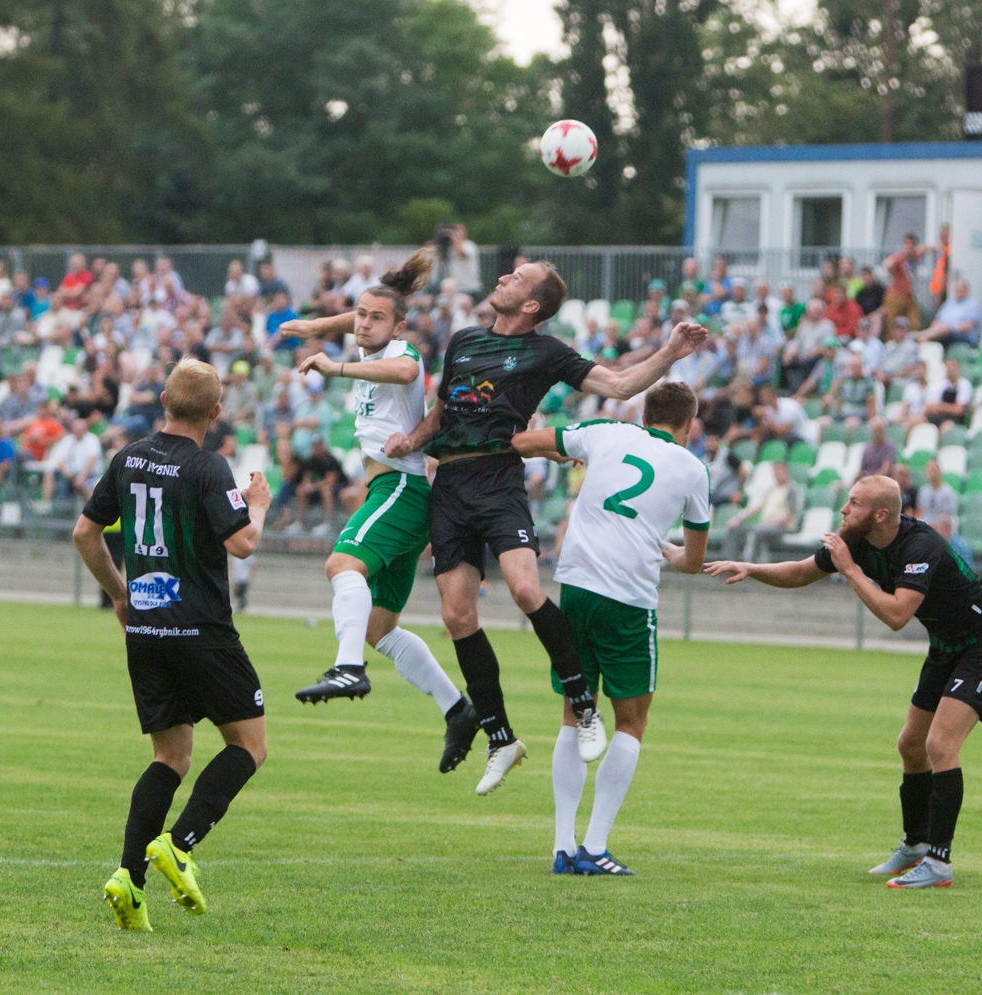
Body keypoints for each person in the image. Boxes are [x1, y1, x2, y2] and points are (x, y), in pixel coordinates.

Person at [320, 259, 706, 795]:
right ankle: (500, 738)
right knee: (457, 616)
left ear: (532, 305)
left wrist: (670, 352)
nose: (504, 278)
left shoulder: (547, 352)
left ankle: (584, 706)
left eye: (517, 279)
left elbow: (618, 386)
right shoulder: (463, 340)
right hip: (450, 486)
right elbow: (440, 410)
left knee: (526, 588)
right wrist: (412, 440)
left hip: (498, 479)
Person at [706, 474, 982, 890]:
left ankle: (939, 862)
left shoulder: (918, 546)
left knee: (940, 745)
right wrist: (751, 567)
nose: (843, 509)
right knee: (910, 745)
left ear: (881, 514)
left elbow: (896, 616)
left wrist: (851, 571)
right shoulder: (855, 539)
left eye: (853, 502)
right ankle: (915, 844)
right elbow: (801, 573)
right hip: (947, 644)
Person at [73, 357, 272, 933]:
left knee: (170, 758)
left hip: (148, 631)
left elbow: (86, 533)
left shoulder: (127, 458)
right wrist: (256, 501)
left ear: (163, 399)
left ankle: (128, 879)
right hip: (202, 632)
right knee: (249, 746)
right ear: (215, 411)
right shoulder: (211, 467)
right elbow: (242, 544)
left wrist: (119, 594)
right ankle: (178, 845)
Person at [287, 251, 481, 774]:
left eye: (376, 318)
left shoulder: (401, 354)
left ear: (398, 325)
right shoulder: (371, 334)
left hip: (401, 487)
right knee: (379, 624)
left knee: (341, 566)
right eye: (360, 317)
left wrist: (336, 365)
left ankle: (348, 669)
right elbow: (359, 320)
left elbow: (404, 368)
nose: (364, 324)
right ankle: (458, 709)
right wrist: (317, 324)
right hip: (399, 489)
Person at [511, 382, 711, 876]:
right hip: (627, 597)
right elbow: (692, 562)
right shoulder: (692, 468)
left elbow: (526, 443)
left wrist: (561, 453)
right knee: (631, 722)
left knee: (575, 713)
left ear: (645, 413)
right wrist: (666, 549)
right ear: (689, 424)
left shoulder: (606, 433)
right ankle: (594, 846)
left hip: (575, 586)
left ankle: (561, 845)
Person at [917, 278, 982, 346]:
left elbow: (969, 326)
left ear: (966, 290)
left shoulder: (972, 305)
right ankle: (922, 336)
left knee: (944, 329)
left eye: (961, 289)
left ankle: (922, 336)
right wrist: (938, 327)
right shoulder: (948, 303)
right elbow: (936, 321)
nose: (958, 291)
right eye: (956, 288)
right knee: (941, 328)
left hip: (963, 336)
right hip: (942, 332)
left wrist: (950, 328)